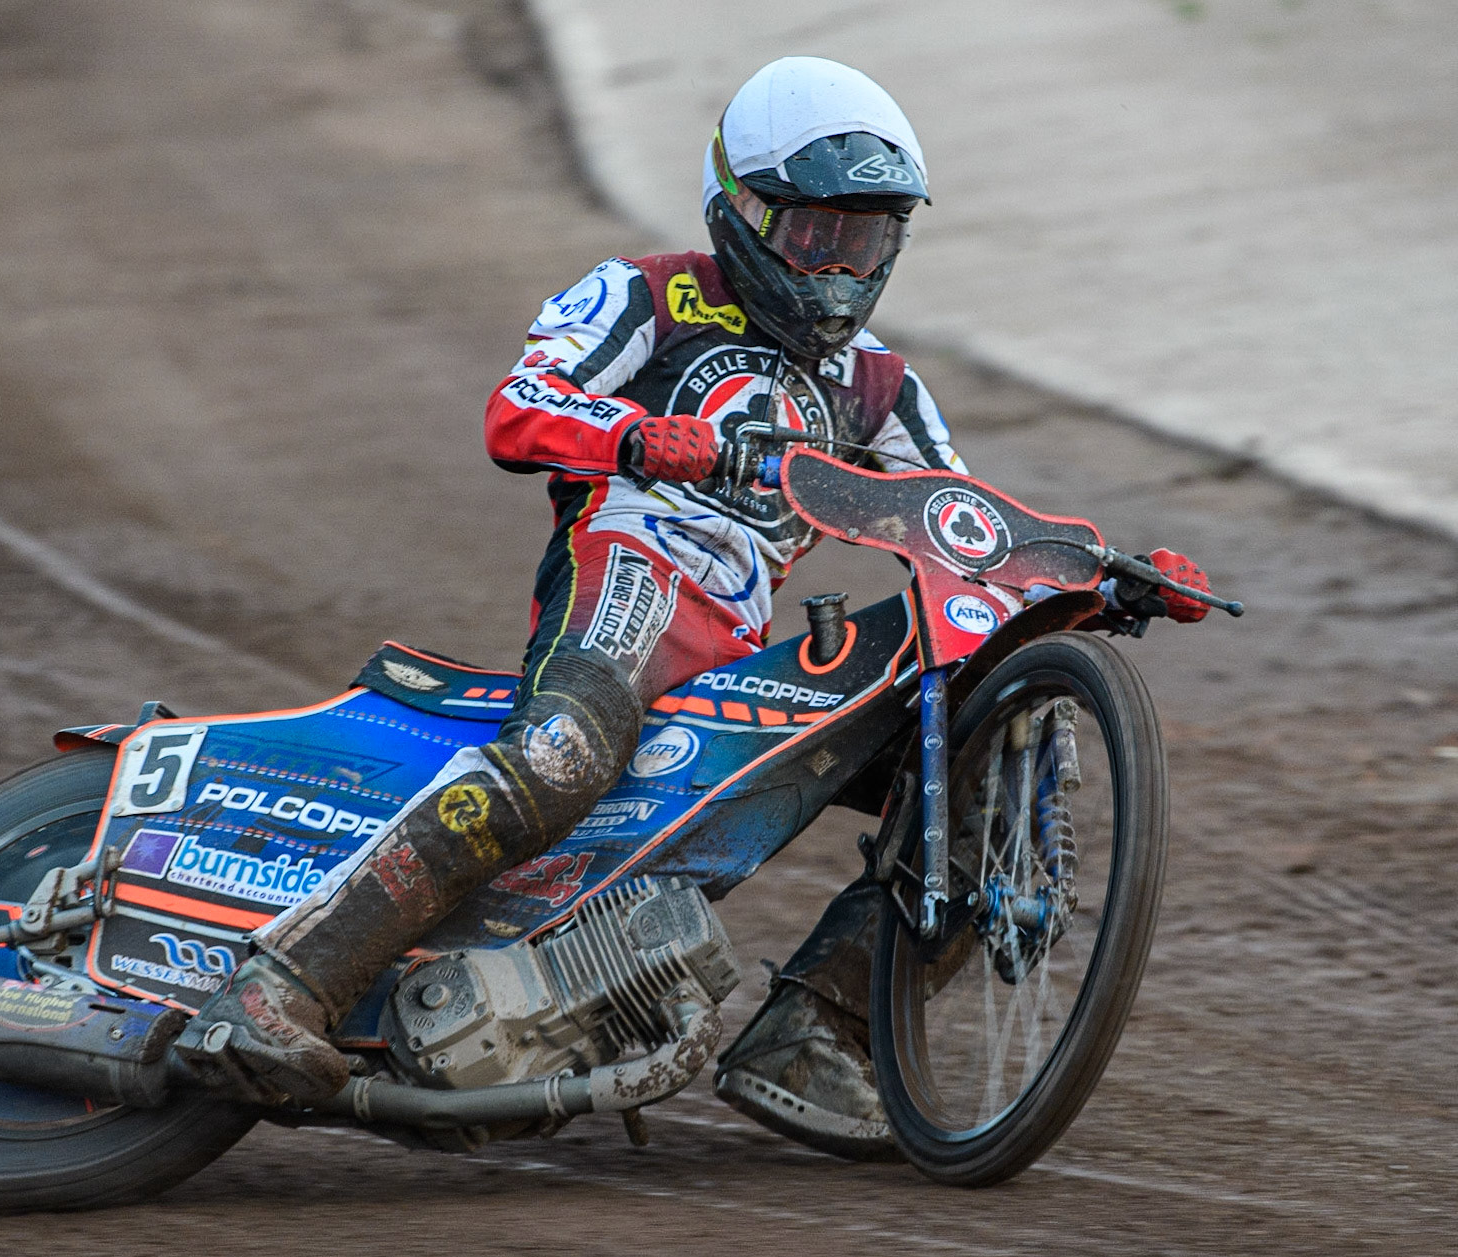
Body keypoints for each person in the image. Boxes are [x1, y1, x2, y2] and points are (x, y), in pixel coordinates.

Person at [178, 56, 1210, 1158]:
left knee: (989, 765)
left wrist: (1102, 570)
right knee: (565, 755)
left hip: (735, 651)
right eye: (814, 234)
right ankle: (280, 984)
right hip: (626, 579)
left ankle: (817, 1033)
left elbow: (960, 521)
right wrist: (633, 436)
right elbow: (516, 405)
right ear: (745, 212)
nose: (836, 267)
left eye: (863, 241)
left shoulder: (881, 388)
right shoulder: (646, 294)